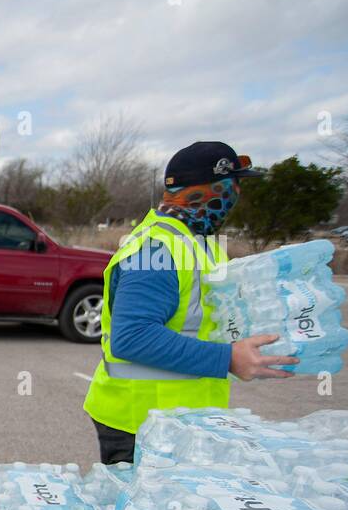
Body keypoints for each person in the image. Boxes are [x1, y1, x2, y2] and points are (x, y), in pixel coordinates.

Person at [83, 141, 299, 464]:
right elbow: (133, 336)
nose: (237, 193)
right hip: (141, 424)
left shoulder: (200, 243)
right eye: (232, 185)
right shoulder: (155, 249)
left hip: (178, 422)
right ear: (208, 190)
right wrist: (227, 358)